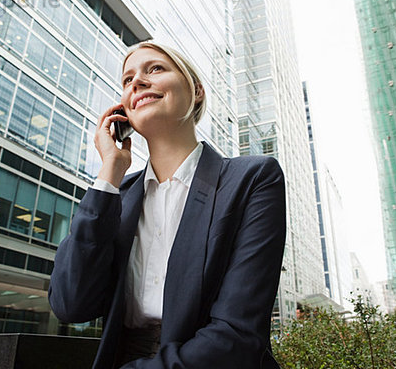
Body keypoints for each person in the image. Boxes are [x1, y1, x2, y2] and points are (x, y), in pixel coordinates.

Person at [48, 41, 286, 369]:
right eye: (127, 80)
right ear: (123, 113)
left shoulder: (252, 179)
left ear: (197, 91)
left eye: (155, 69)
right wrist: (109, 173)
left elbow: (237, 334)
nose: (137, 82)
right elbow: (70, 304)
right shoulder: (117, 195)